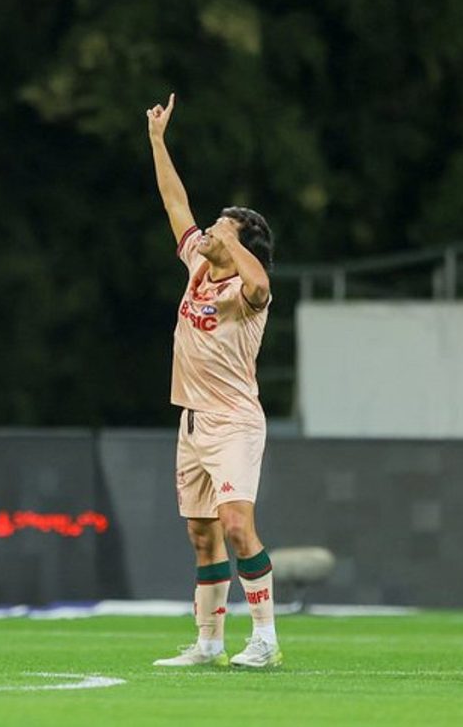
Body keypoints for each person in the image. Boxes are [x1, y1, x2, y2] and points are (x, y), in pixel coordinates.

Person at [146, 93, 281, 669]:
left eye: (220, 229)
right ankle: (208, 643)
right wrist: (157, 141)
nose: (207, 231)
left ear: (239, 245)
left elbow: (262, 284)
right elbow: (175, 202)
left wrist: (234, 244)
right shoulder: (198, 266)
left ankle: (266, 639)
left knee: (236, 523)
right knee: (203, 535)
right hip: (193, 420)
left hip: (233, 421)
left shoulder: (247, 293)